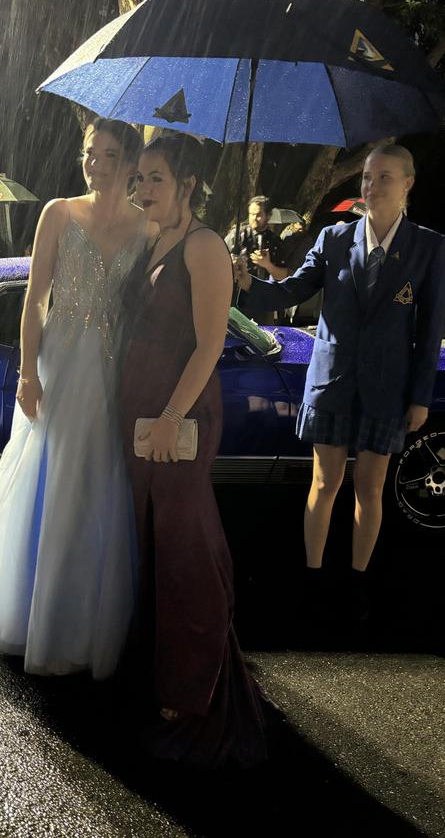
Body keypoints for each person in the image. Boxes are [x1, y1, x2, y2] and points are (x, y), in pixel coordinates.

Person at [0, 118, 150, 679]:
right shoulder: (58, 212)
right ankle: (35, 613)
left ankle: (86, 618)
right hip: (60, 367)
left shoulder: (149, 227)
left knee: (99, 481)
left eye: (109, 155)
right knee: (50, 475)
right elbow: (35, 299)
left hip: (114, 372)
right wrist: (29, 374)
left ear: (133, 164)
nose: (95, 164)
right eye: (90, 153)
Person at [234, 145, 445, 623]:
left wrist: (420, 397)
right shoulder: (334, 238)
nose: (371, 186)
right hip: (331, 381)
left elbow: (430, 330)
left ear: (408, 184)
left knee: (370, 489)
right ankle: (312, 578)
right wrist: (248, 284)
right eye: (368, 177)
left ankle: (356, 582)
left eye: (384, 177)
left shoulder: (428, 247)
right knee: (324, 483)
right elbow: (292, 290)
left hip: (387, 388)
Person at [119, 132, 267, 768]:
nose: (143, 188)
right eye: (141, 178)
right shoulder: (154, 238)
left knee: (187, 551)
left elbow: (209, 346)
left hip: (177, 416)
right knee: (152, 546)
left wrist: (169, 416)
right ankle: (162, 672)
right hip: (140, 414)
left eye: (155, 177)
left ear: (188, 184)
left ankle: (197, 689)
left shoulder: (205, 246)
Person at [226, 195, 288, 324]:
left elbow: (284, 275)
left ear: (268, 215)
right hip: (236, 297)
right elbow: (218, 260)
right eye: (251, 214)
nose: (254, 218)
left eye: (258, 214)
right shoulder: (237, 235)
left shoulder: (275, 241)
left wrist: (267, 265)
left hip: (264, 300)